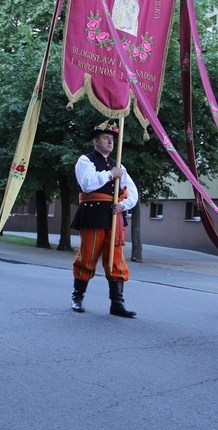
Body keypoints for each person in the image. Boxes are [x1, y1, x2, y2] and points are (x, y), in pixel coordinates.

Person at [69, 122, 139, 318]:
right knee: (88, 257)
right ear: (96, 141)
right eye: (105, 138)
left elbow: (132, 192)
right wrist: (110, 175)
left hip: (114, 216)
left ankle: (117, 303)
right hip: (92, 214)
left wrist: (123, 205)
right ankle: (78, 297)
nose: (110, 141)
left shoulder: (119, 166)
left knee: (115, 259)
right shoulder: (86, 160)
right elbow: (87, 183)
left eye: (112, 139)